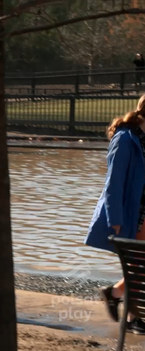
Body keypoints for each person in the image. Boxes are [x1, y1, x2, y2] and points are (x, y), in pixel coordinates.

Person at [85, 94, 145, 334]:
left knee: (139, 265)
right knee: (139, 265)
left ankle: (116, 295)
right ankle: (133, 317)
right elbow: (114, 184)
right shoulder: (125, 139)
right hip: (132, 214)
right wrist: (116, 219)